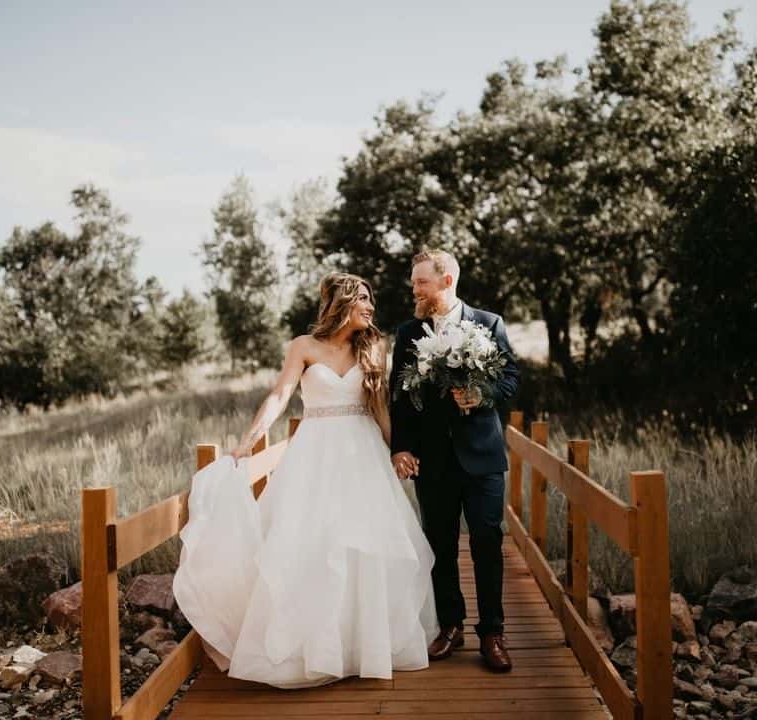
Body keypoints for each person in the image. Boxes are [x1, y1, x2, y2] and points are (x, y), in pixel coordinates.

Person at [172, 273, 438, 689]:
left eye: (371, 300)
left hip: (362, 456)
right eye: (363, 299)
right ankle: (317, 649)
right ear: (342, 303)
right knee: (311, 545)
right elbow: (279, 395)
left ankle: (363, 646)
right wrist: (247, 442)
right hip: (314, 455)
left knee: (364, 546)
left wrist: (397, 449)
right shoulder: (304, 346)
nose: (371, 307)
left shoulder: (373, 347)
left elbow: (380, 408)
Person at [389, 249, 520, 673]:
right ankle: (450, 626)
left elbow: (511, 379)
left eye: (421, 282)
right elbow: (399, 398)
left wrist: (482, 395)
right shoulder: (409, 332)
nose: (415, 289)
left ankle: (492, 632)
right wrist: (401, 448)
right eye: (414, 283)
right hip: (433, 461)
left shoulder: (489, 324)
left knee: (487, 542)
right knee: (440, 546)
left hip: (482, 456)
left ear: (447, 282)